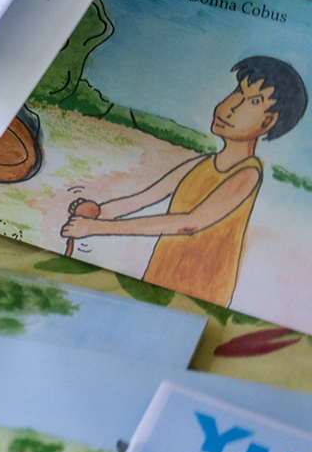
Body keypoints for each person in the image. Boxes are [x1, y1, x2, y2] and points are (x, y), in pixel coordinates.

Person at [61, 56, 307, 306]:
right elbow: (143, 199)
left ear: (268, 122)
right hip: (161, 275)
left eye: (253, 102)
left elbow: (189, 223)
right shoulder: (200, 164)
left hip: (199, 292)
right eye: (237, 91)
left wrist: (97, 228)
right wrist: (98, 212)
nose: (230, 107)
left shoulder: (248, 174)